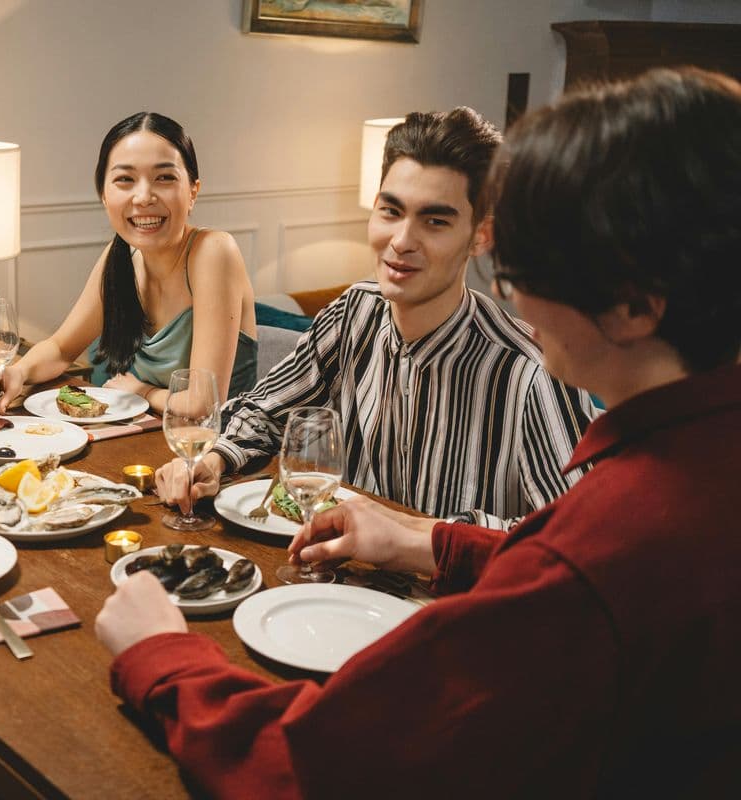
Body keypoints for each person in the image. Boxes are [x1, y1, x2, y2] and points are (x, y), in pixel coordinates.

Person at [96, 67, 741, 797]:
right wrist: (428, 541)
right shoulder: (700, 460)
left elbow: (314, 769)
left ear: (634, 304)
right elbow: (555, 562)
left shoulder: (586, 503)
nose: (512, 284)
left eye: (542, 253)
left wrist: (161, 655)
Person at [155, 106, 597, 529]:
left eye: (435, 221)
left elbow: (575, 541)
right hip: (340, 581)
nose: (402, 240)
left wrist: (419, 533)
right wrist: (216, 459)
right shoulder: (355, 313)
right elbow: (267, 411)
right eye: (391, 211)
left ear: (481, 236)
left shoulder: (532, 372)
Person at [0, 111, 257, 417]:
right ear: (104, 196)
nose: (144, 196)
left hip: (216, 454)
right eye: (125, 180)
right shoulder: (120, 255)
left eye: (164, 177)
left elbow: (203, 405)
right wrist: (17, 371)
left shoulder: (214, 252)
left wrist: (141, 391)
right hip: (139, 443)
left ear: (192, 192)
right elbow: (61, 348)